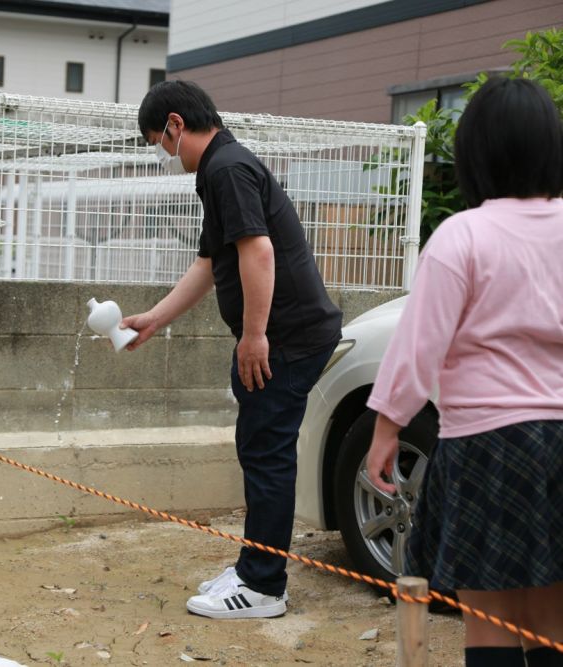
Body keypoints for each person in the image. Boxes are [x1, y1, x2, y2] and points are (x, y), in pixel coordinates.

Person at [122, 80, 342, 619]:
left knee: (266, 454)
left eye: (158, 140)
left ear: (176, 124)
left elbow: (259, 253)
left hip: (287, 337)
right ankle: (252, 568)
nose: (162, 153)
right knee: (260, 449)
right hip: (284, 334)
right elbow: (209, 264)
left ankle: (264, 586)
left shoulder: (225, 168)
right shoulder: (223, 167)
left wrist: (254, 334)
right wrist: (154, 318)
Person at [365, 77, 563, 667]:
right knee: (552, 620)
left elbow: (418, 344)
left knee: (493, 620)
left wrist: (385, 428)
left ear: (476, 154)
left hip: (487, 443)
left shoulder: (462, 237)